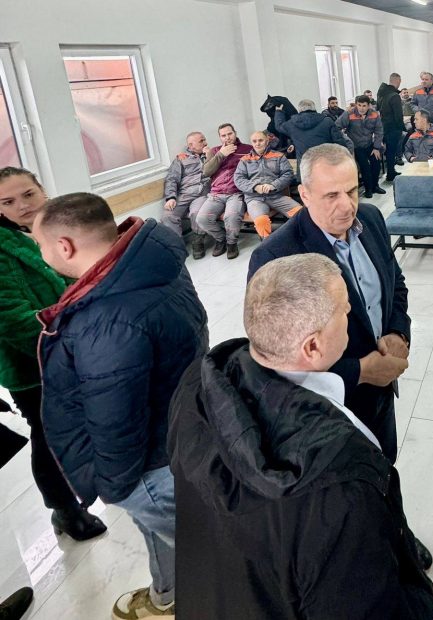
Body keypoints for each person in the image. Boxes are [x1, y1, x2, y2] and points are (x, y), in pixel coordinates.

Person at [169, 254, 433, 620]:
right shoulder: (338, 486)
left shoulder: (196, 387)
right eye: (344, 311)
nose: (352, 314)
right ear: (312, 347)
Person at [33, 193, 208, 619]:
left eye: (40, 244)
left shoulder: (105, 318)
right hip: (178, 428)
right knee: (162, 534)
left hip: (149, 464)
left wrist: (115, 487)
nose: (40, 253)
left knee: (210, 551)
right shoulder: (144, 264)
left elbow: (114, 420)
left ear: (64, 247)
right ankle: (168, 596)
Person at [247, 144, 409, 466]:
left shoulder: (371, 218)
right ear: (304, 195)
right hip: (328, 412)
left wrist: (397, 332)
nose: (347, 206)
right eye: (332, 195)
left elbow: (396, 283)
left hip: (381, 393)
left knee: (385, 465)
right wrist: (360, 371)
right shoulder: (275, 256)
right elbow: (276, 359)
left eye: (352, 190)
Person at [0, 167, 106, 543]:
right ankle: (63, 509)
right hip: (33, 365)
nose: (22, 205)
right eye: (8, 201)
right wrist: (71, 343)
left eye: (28, 194)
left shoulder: (53, 226)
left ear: (42, 189)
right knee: (48, 436)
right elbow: (13, 319)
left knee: (81, 423)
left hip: (74, 347)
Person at [196, 123, 252, 259]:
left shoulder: (248, 149)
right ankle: (221, 239)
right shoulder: (214, 151)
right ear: (220, 137)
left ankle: (232, 243)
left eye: (230, 134)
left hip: (236, 193)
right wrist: (221, 154)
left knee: (231, 216)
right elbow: (207, 171)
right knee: (202, 219)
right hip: (216, 194)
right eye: (223, 135)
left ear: (235, 133)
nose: (227, 137)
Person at [233, 130, 302, 240]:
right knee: (261, 221)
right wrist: (255, 187)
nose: (257, 143)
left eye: (260, 140)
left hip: (276, 196)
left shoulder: (279, 156)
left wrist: (273, 185)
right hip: (255, 199)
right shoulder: (244, 160)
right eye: (254, 141)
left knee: (301, 213)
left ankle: (301, 239)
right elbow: (238, 179)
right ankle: (268, 244)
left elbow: (288, 174)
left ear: (267, 141)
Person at [161, 131, 211, 259]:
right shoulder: (181, 158)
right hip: (184, 193)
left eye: (204, 139)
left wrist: (210, 156)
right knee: (168, 215)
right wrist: (171, 197)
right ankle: (178, 248)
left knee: (196, 213)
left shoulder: (211, 154)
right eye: (201, 141)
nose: (205, 143)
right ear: (191, 145)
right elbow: (172, 179)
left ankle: (198, 241)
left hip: (201, 193)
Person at [274, 99, 349, 174]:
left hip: (305, 168)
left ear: (299, 110)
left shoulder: (291, 124)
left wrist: (279, 112)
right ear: (314, 108)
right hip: (326, 165)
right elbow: (339, 142)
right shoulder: (327, 121)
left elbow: (279, 126)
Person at [336, 94, 385, 199]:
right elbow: (336, 127)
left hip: (369, 144)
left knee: (376, 163)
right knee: (364, 167)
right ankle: (368, 189)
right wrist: (346, 140)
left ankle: (375, 186)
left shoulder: (374, 114)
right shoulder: (349, 114)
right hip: (356, 146)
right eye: (359, 105)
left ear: (368, 106)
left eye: (364, 106)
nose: (361, 108)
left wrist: (376, 147)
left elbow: (379, 131)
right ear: (356, 105)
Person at [376, 72, 406, 182]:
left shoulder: (381, 93)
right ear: (397, 81)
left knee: (389, 151)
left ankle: (391, 171)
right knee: (391, 151)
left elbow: (378, 108)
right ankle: (390, 173)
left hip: (383, 126)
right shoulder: (394, 96)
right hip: (393, 128)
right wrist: (401, 128)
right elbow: (398, 115)